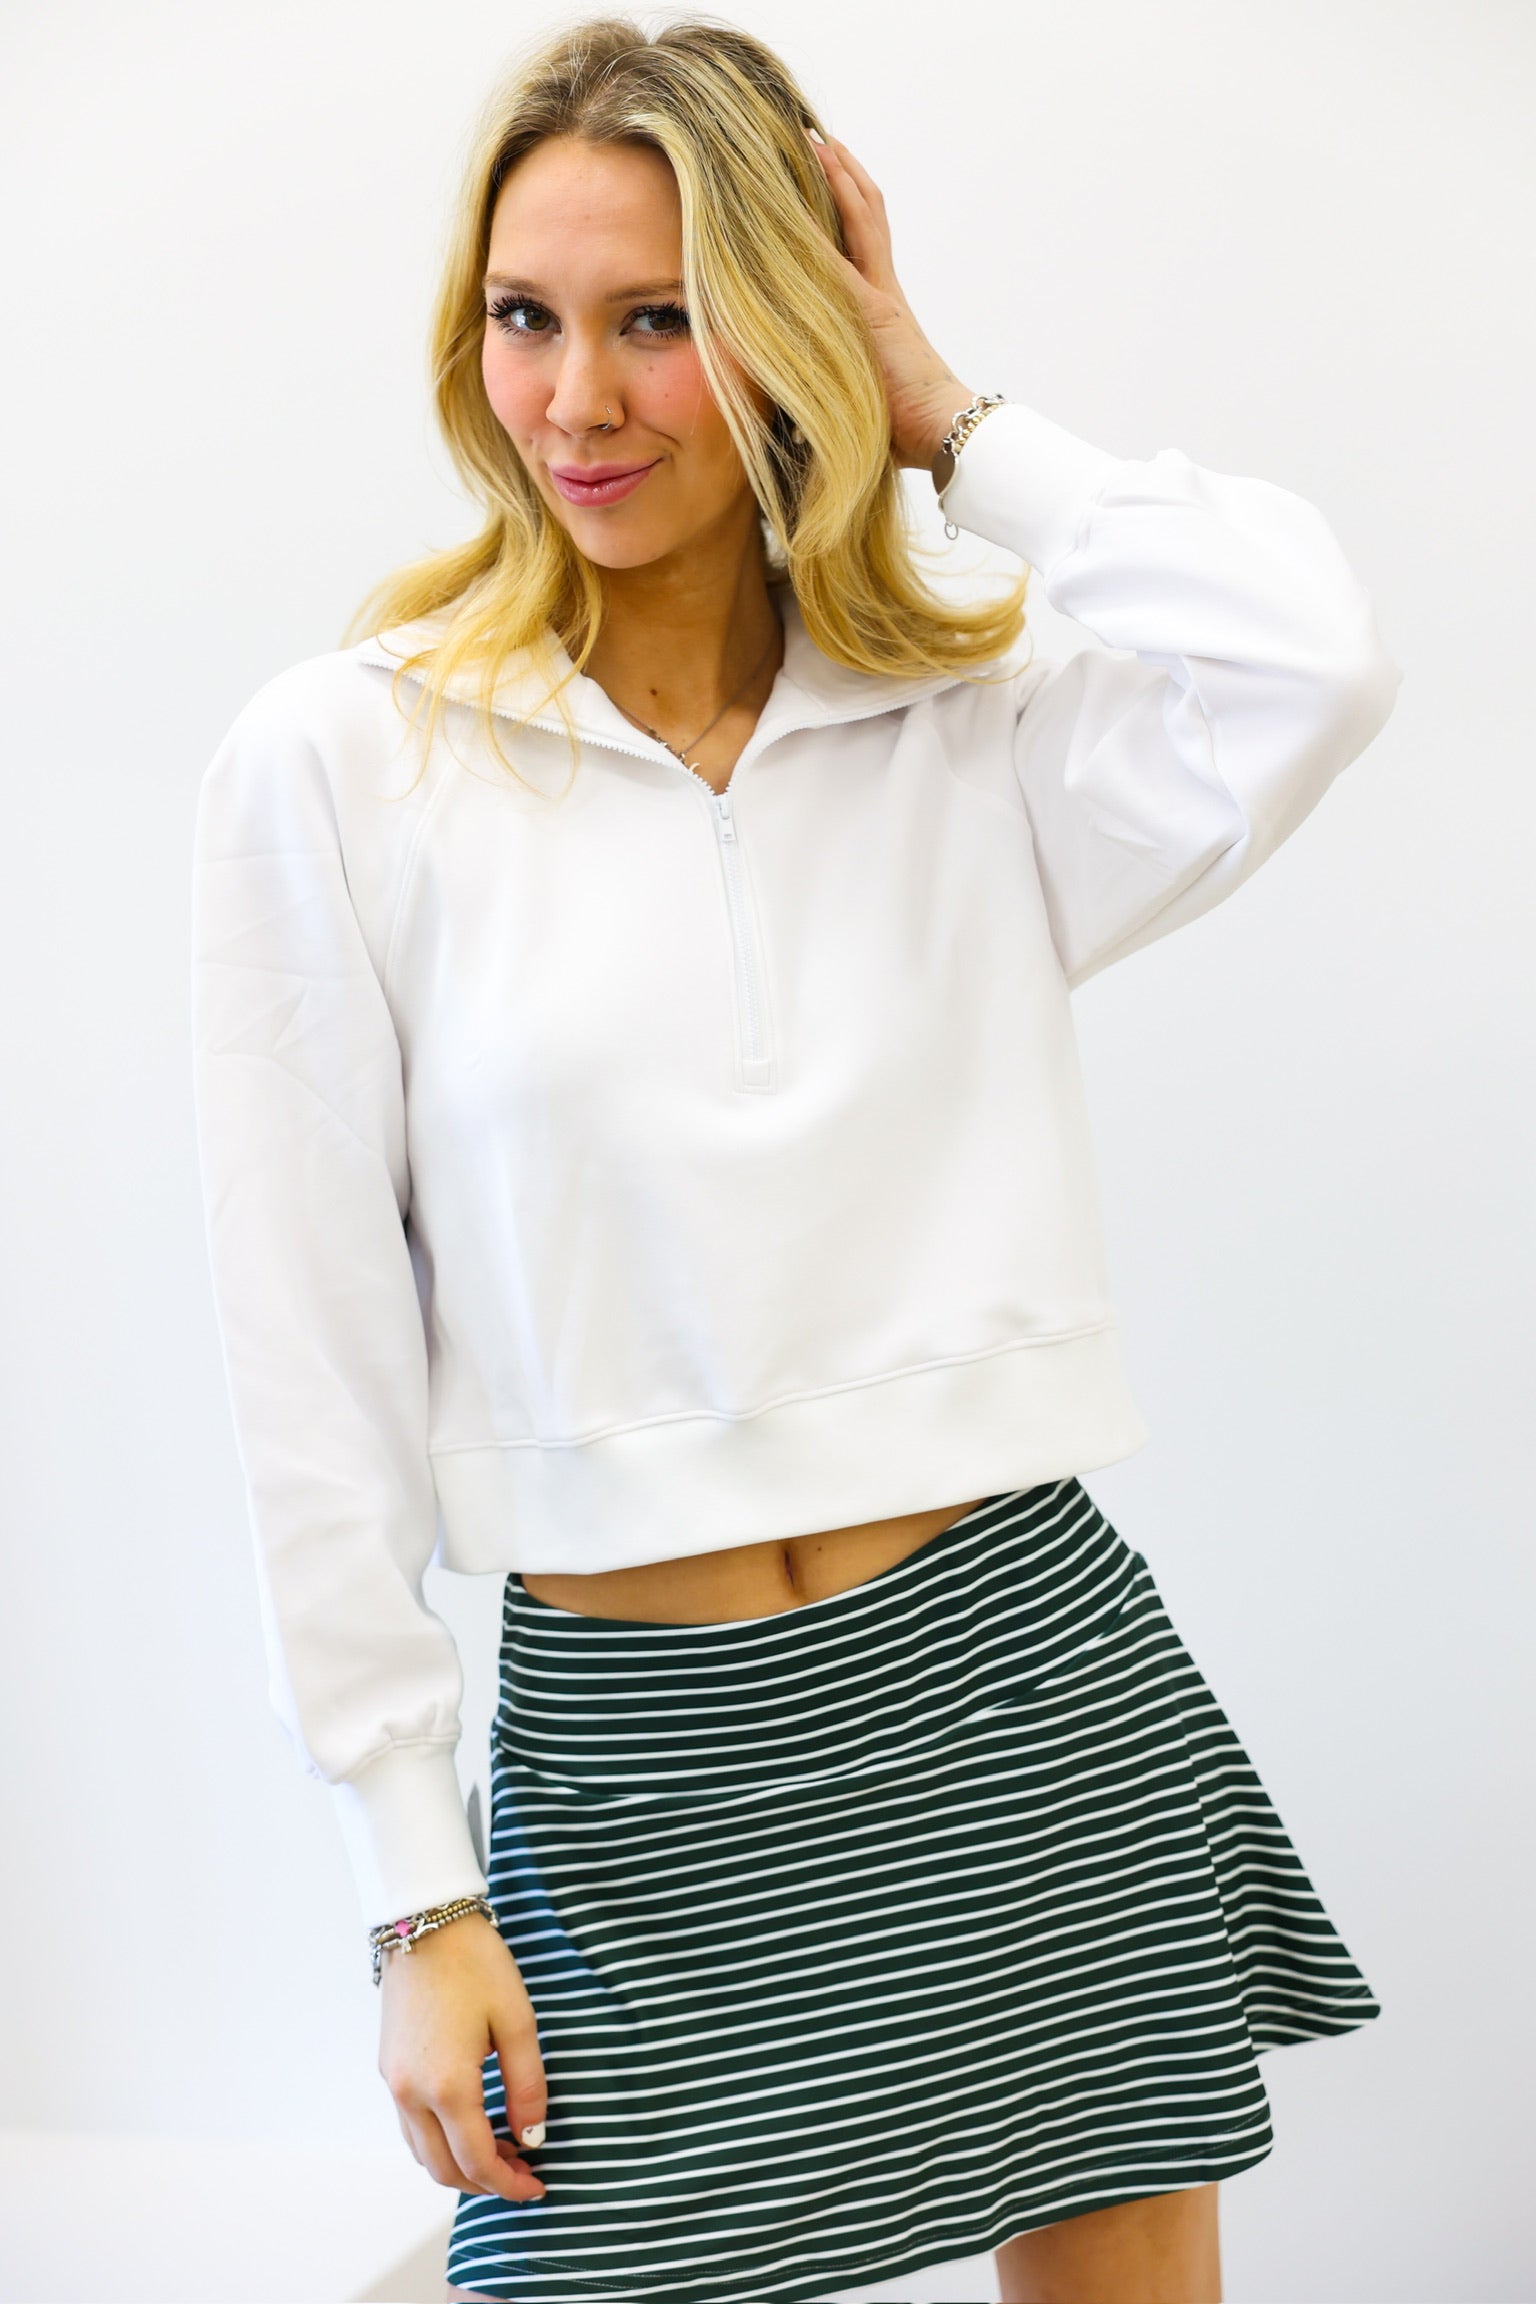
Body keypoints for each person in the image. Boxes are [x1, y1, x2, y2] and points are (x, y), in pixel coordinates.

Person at [189, 17, 1400, 2302]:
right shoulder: (345, 766)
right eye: (527, 319)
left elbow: (1313, 664)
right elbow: (306, 1366)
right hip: (644, 1762)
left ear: (786, 323)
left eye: (661, 318)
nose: (578, 399)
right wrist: (413, 1882)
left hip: (1022, 1678)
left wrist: (948, 413)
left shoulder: (975, 725)